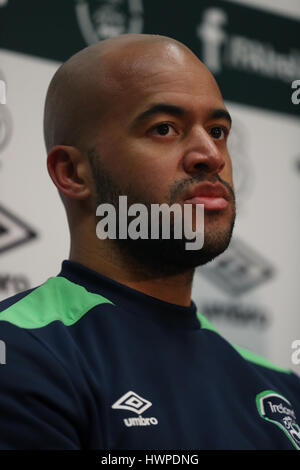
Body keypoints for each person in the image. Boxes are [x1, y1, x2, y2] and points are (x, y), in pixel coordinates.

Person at [0, 33, 299, 451]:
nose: (210, 154)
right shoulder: (17, 351)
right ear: (72, 172)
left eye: (217, 130)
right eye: (164, 128)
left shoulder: (281, 389)